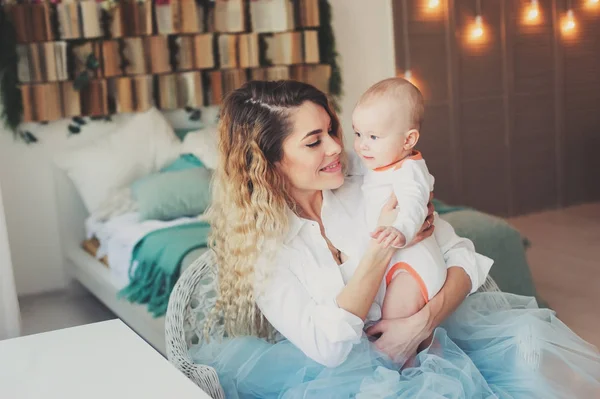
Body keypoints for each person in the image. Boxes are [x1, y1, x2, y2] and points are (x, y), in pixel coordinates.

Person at [191, 80, 600, 398]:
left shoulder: (370, 184)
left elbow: (464, 258)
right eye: (314, 141)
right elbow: (328, 348)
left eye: (332, 129)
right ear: (267, 159)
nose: (338, 146)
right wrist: (381, 248)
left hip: (434, 351)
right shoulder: (262, 247)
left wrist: (423, 322)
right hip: (339, 382)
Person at [352, 77, 467, 356]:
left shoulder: (409, 170)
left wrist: (401, 228)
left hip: (413, 266)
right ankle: (430, 358)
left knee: (394, 326)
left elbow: (415, 203)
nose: (362, 145)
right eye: (357, 134)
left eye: (373, 137)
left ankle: (415, 377)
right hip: (396, 263)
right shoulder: (376, 166)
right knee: (400, 330)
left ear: (408, 140)